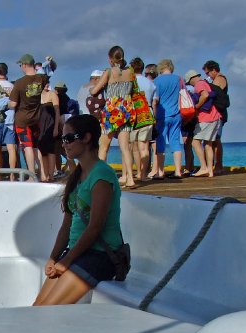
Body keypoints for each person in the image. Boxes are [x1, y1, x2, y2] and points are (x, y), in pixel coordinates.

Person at [33, 114, 123, 306]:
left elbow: (95, 228)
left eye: (68, 138)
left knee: (46, 311)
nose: (64, 144)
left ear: (87, 138)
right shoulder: (78, 176)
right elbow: (67, 226)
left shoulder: (102, 175)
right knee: (36, 309)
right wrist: (54, 257)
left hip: (99, 257)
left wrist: (66, 262)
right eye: (62, 139)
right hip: (77, 254)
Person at [89, 45, 137, 188]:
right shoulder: (130, 72)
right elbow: (134, 90)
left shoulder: (109, 72)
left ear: (110, 59)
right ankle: (130, 179)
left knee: (104, 147)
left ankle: (99, 178)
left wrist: (96, 86)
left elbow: (94, 91)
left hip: (112, 111)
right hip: (126, 109)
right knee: (125, 147)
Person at [9, 54, 47, 177]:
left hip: (22, 120)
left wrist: (8, 103)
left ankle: (31, 175)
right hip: (36, 118)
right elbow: (49, 69)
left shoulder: (19, 83)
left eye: (21, 65)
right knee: (36, 147)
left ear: (25, 65)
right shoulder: (42, 79)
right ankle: (42, 174)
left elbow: (13, 104)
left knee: (27, 147)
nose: (21, 67)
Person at [185, 70, 222, 177]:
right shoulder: (206, 83)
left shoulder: (199, 84)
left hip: (206, 118)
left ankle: (203, 167)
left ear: (192, 79)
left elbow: (205, 95)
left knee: (195, 142)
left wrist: (197, 106)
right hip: (215, 116)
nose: (190, 85)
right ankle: (210, 170)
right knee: (208, 144)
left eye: (189, 82)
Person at [152, 59, 184, 179]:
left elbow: (156, 99)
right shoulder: (178, 79)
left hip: (162, 114)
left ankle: (160, 172)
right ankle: (178, 171)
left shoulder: (157, 81)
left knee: (160, 143)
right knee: (175, 142)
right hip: (176, 114)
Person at [129, 57, 156, 182]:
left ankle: (138, 172)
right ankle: (144, 174)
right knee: (145, 146)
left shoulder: (131, 81)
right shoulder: (151, 83)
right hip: (148, 113)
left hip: (135, 113)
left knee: (134, 146)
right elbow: (155, 102)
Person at [203, 60, 229, 174]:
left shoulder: (220, 78)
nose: (207, 75)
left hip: (219, 113)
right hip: (217, 113)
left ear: (214, 70)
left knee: (216, 139)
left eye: (208, 73)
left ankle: (219, 165)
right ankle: (214, 165)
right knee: (214, 140)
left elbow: (214, 91)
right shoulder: (216, 79)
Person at [0, 63, 18, 181]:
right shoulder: (12, 86)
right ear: (6, 72)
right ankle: (12, 175)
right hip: (10, 118)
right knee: (11, 148)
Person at [37, 80, 60, 182]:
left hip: (50, 125)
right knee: (42, 151)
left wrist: (56, 128)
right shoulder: (37, 96)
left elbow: (57, 112)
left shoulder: (52, 94)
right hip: (39, 126)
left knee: (51, 150)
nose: (47, 85)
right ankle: (45, 174)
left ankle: (51, 175)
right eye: (44, 83)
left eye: (47, 83)